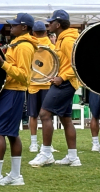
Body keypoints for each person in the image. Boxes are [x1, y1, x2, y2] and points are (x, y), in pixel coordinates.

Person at [0, 13, 37, 186]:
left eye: (15, 25)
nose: (11, 27)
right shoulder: (17, 44)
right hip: (10, 92)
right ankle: (15, 176)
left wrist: (2, 64)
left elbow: (24, 76)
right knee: (11, 134)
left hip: (13, 92)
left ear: (24, 27)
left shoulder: (24, 47)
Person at [30, 10, 81, 167]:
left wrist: (62, 77)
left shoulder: (67, 41)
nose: (49, 24)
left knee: (44, 114)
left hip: (65, 83)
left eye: (51, 22)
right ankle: (73, 157)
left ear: (58, 24)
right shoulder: (61, 39)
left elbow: (78, 63)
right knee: (65, 118)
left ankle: (46, 154)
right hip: (65, 81)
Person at [27, 20, 53, 153]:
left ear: (33, 32)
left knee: (33, 115)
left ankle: (33, 143)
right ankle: (47, 144)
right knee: (47, 117)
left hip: (33, 84)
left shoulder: (30, 45)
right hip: (47, 84)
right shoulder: (52, 46)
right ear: (45, 32)